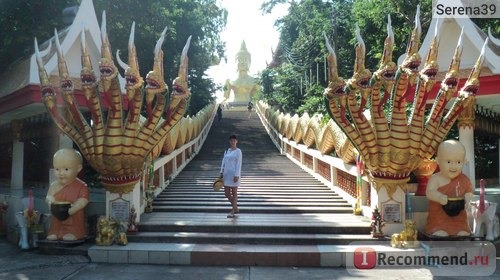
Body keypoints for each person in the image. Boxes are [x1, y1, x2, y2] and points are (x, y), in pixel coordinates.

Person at [425, 139, 473, 237]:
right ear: (438, 161)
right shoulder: (436, 178)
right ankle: (437, 228)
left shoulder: (464, 179)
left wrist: (468, 199)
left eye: (458, 162)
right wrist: (439, 197)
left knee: (462, 231)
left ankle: (461, 229)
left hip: (459, 215)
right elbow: (429, 192)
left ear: (464, 161)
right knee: (440, 229)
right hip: (439, 217)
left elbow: (469, 191)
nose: (453, 166)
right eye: (448, 161)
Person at [46, 148, 89, 241]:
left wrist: (73, 209)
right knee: (56, 223)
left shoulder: (81, 186)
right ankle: (54, 232)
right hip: (57, 214)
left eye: (66, 169)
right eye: (57, 169)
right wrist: (50, 202)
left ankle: (75, 233)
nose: (61, 173)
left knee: (74, 222)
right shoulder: (54, 185)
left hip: (73, 214)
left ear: (78, 168)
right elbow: (49, 196)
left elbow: (83, 200)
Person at [220, 134, 242, 218]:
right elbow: (223, 162)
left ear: (236, 141)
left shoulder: (238, 151)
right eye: (231, 141)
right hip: (226, 174)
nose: (233, 142)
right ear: (229, 142)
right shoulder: (227, 150)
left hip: (234, 175)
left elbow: (239, 164)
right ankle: (235, 207)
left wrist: (237, 175)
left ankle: (233, 211)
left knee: (234, 193)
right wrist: (221, 172)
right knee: (226, 193)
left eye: (234, 141)